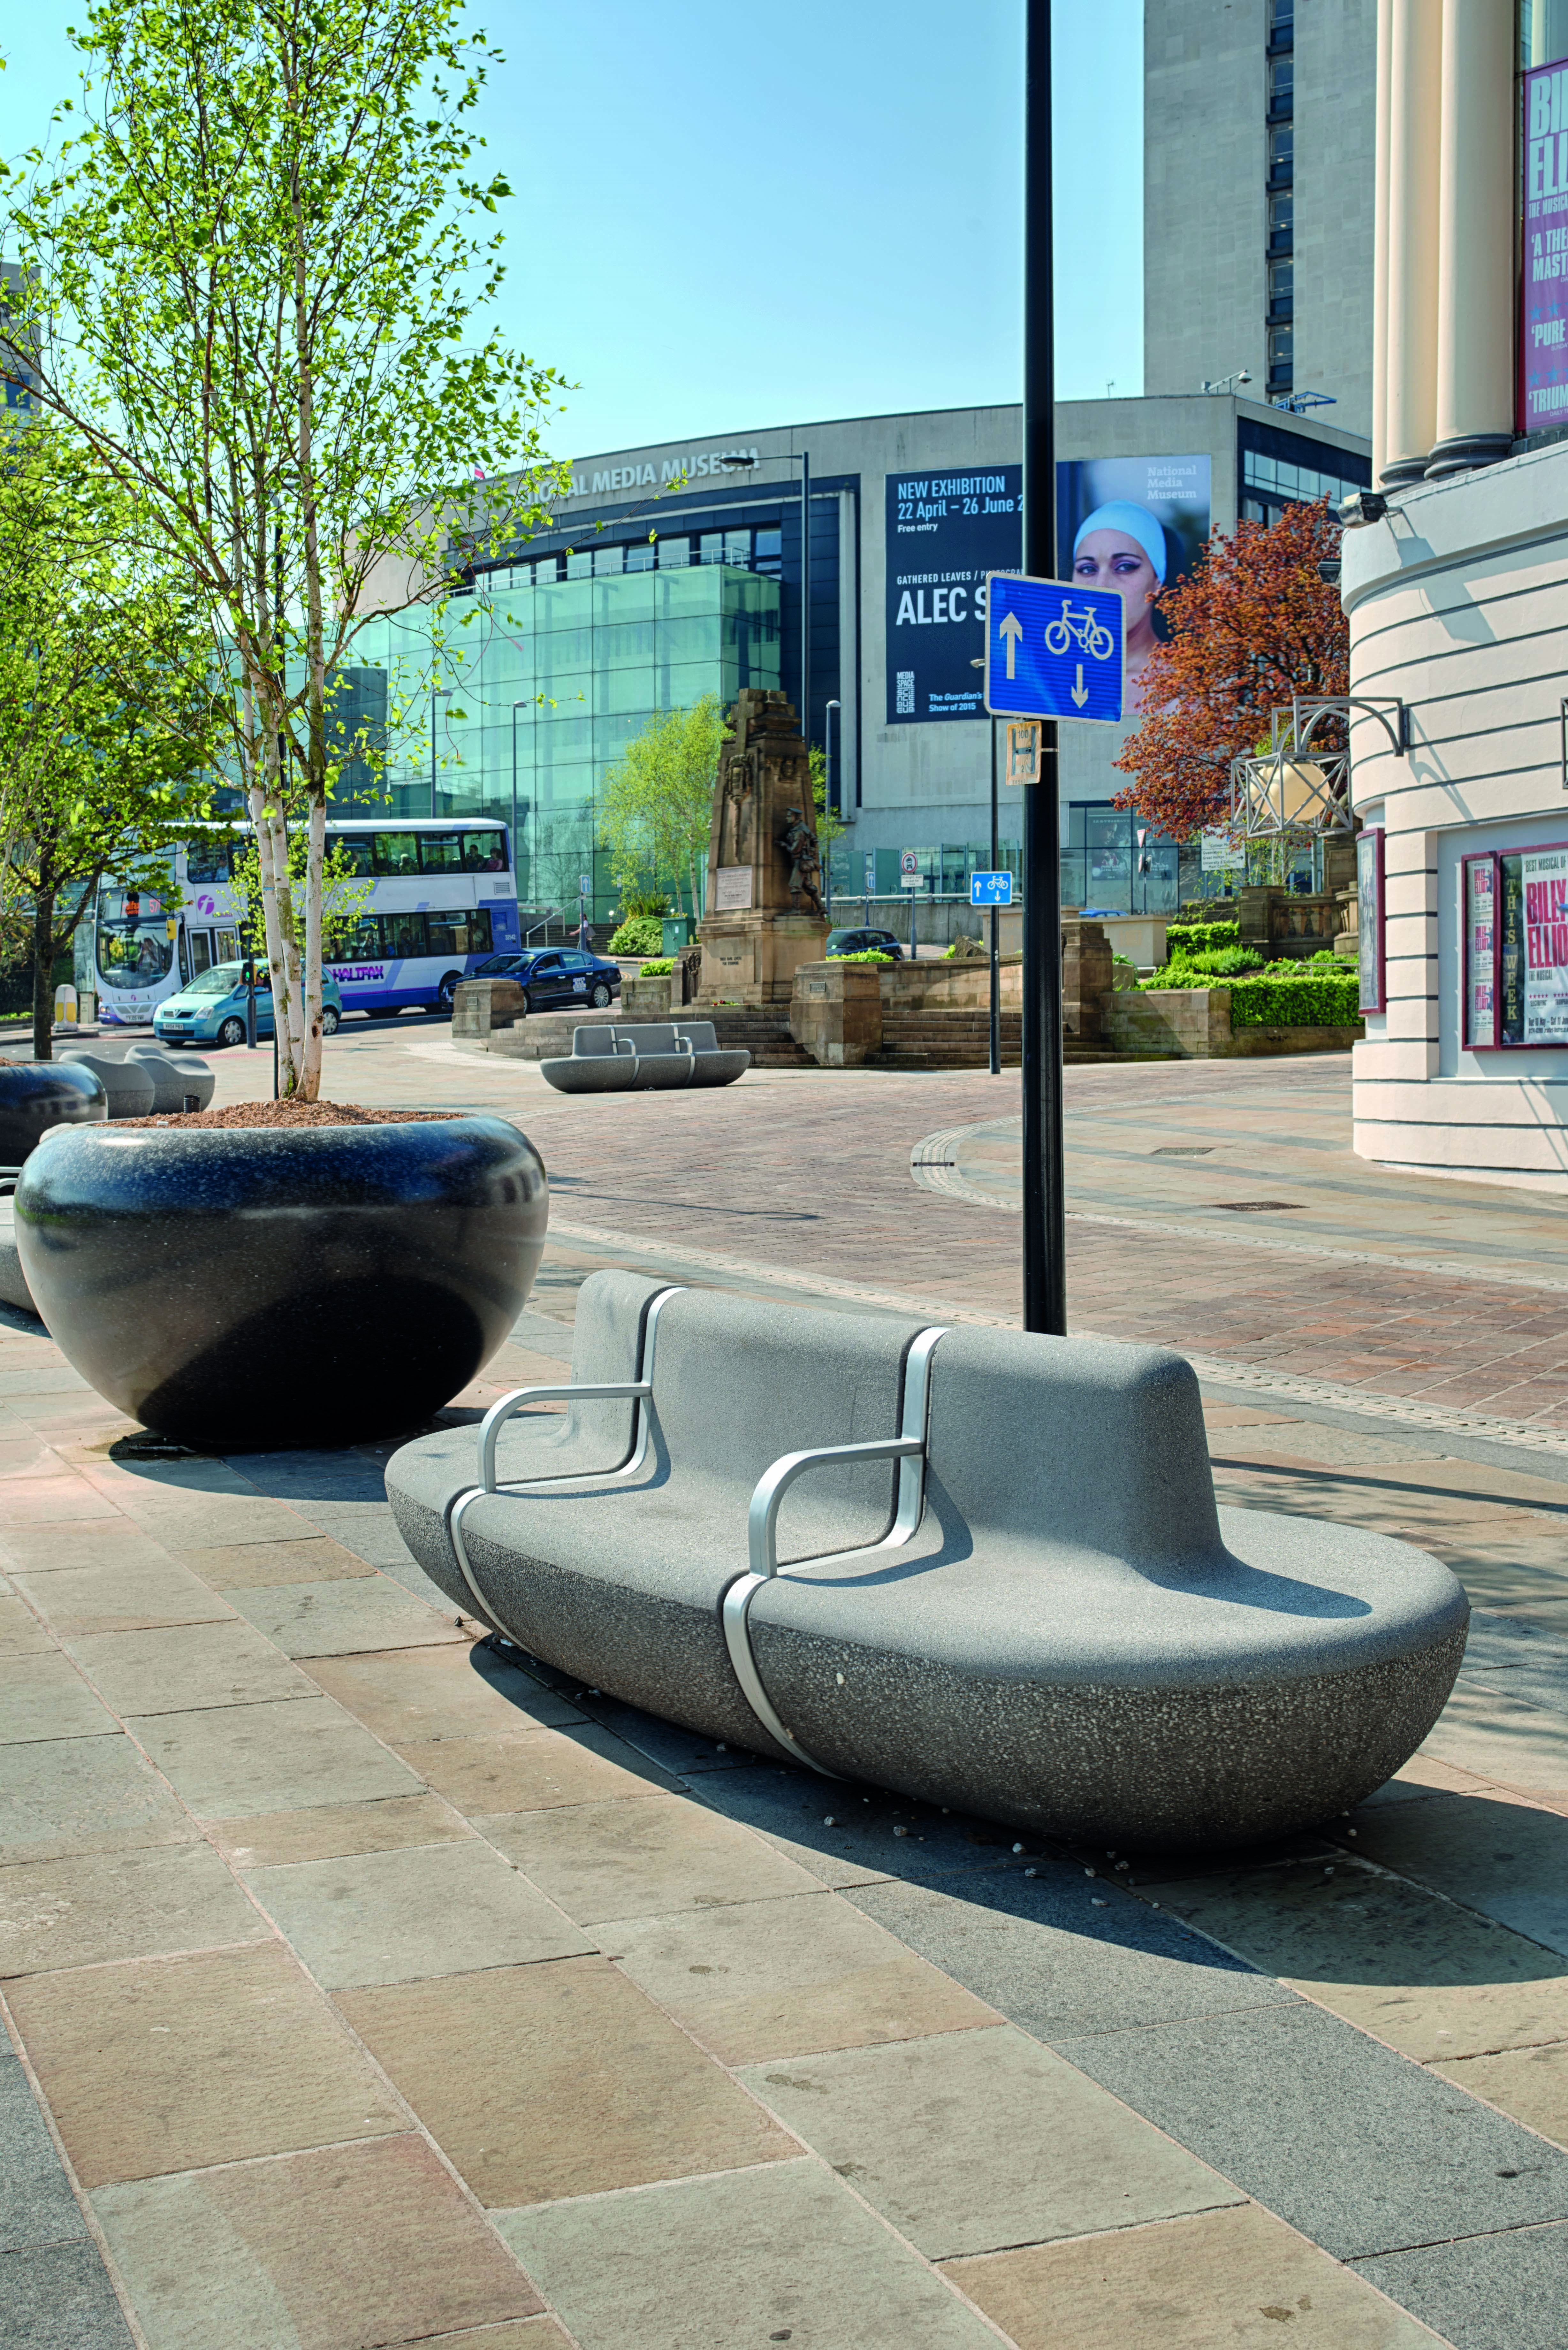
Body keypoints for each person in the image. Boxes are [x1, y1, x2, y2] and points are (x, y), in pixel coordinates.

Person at [1071, 500, 1168, 713]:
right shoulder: (1048, 680)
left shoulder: (1191, 688)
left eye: (1125, 567)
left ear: (1157, 580)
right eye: (1087, 570)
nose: (1102, 585)